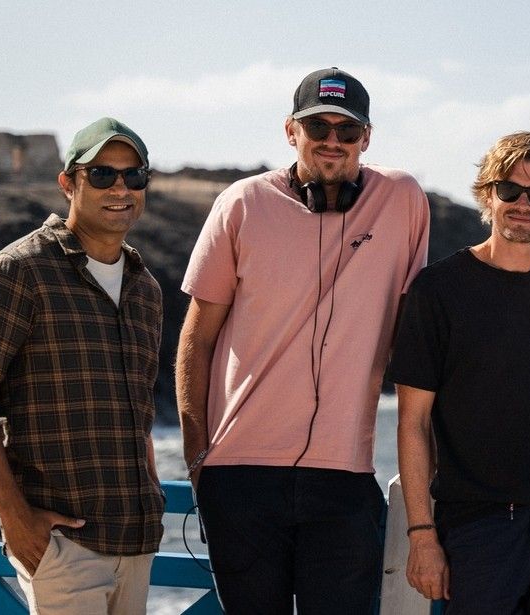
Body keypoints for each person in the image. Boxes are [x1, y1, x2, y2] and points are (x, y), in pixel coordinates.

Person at [175, 67, 430, 614]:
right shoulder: (242, 204)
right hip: (239, 478)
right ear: (291, 131)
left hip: (344, 477)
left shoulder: (404, 199)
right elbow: (195, 340)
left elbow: (417, 335)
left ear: (367, 137)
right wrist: (199, 460)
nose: (333, 142)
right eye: (319, 128)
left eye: (348, 130)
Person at [0, 117, 164, 614]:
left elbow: (138, 406)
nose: (120, 189)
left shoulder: (145, 288)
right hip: (63, 544)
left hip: (137, 539)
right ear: (69, 183)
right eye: (102, 175)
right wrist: (14, 517)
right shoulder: (19, 271)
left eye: (134, 176)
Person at [391, 131, 530, 613]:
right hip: (477, 533)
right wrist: (422, 535)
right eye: (509, 190)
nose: (523, 204)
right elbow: (413, 423)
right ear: (488, 194)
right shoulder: (438, 290)